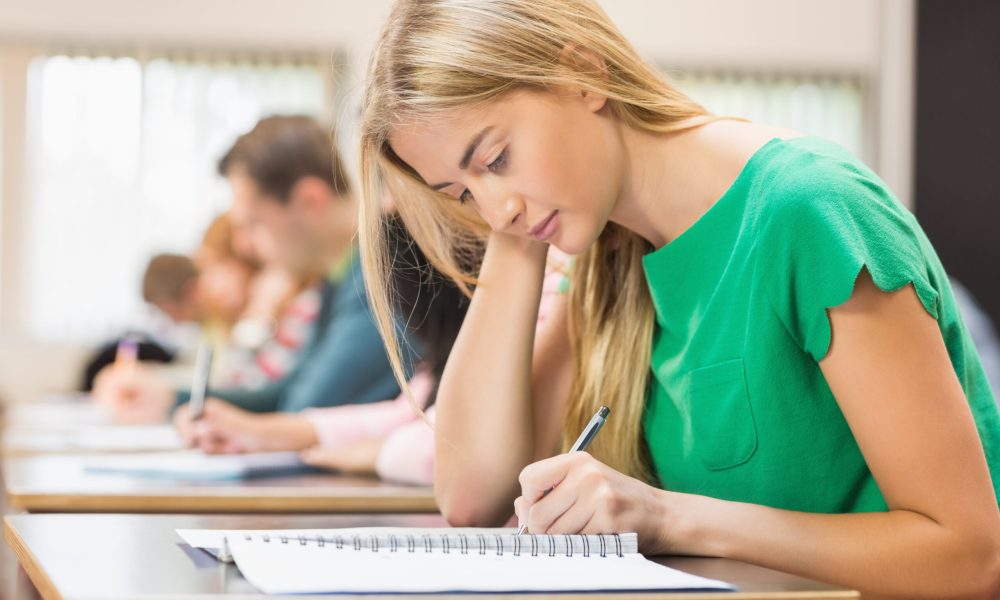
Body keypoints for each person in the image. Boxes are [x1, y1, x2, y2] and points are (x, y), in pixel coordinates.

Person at [355, 1, 1000, 598]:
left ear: (582, 72)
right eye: (461, 194)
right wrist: (517, 240)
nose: (496, 209)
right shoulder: (612, 260)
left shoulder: (806, 209)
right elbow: (472, 497)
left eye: (496, 158)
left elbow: (972, 558)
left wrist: (669, 518)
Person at [94, 116, 407, 423]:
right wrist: (171, 397)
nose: (244, 247)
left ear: (309, 201)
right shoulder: (338, 279)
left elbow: (304, 407)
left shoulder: (387, 271)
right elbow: (284, 392)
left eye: (255, 224)